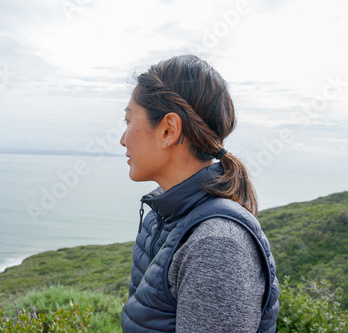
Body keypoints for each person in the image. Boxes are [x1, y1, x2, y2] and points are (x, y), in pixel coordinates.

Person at [120, 55, 279, 333]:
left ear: (168, 129)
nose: (123, 138)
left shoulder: (217, 244)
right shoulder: (160, 218)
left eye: (128, 120)